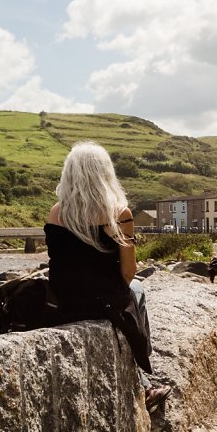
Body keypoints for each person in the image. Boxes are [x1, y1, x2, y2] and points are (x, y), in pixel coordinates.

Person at [44, 141, 171, 414]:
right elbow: (128, 272)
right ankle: (145, 375)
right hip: (101, 301)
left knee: (132, 291)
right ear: (105, 173)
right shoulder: (118, 213)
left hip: (64, 301)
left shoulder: (57, 212)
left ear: (70, 174)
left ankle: (145, 380)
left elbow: (59, 263)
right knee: (137, 290)